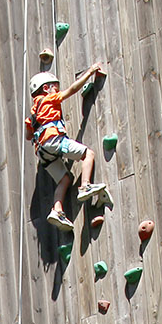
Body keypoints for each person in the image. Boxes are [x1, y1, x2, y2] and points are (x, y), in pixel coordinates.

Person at [25, 65, 110, 232]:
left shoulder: (33, 112)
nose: (57, 89)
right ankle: (85, 185)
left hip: (42, 152)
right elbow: (72, 90)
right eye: (54, 86)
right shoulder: (49, 98)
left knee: (65, 179)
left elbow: (28, 135)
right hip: (53, 139)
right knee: (88, 154)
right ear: (46, 88)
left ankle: (57, 210)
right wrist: (90, 72)